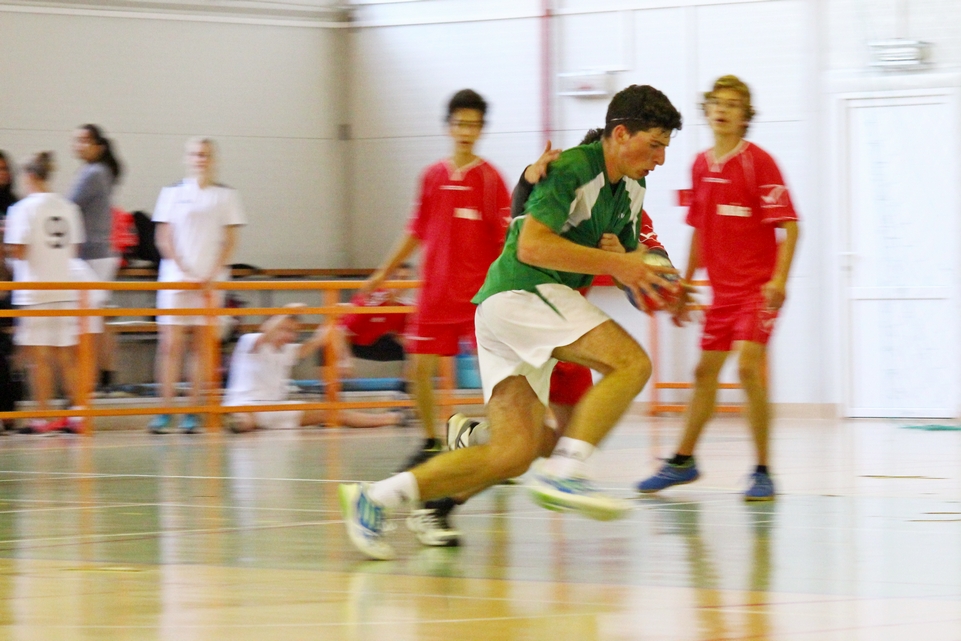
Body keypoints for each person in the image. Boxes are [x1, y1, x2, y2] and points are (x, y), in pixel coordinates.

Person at [339, 84, 684, 560]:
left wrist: (663, 287)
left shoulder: (631, 189)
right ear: (621, 134)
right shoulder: (572, 168)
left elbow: (631, 258)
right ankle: (565, 471)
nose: (661, 159)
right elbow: (531, 245)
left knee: (513, 453)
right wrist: (619, 262)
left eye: (666, 147)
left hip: (513, 312)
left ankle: (376, 498)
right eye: (655, 145)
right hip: (523, 293)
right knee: (631, 364)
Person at [413, 129, 681, 548]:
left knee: (558, 443)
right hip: (531, 317)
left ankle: (476, 441)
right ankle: (438, 501)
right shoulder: (558, 184)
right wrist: (527, 177)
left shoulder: (629, 205)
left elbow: (653, 269)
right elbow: (525, 225)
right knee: (525, 449)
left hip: (573, 331)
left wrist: (654, 279)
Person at [635, 75, 800, 501]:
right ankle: (682, 461)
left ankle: (763, 471)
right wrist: (685, 283)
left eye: (733, 104)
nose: (723, 109)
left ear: (746, 116)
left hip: (758, 292)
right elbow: (699, 230)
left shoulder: (759, 163)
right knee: (703, 373)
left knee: (746, 368)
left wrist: (780, 280)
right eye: (716, 102)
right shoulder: (700, 165)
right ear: (706, 110)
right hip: (723, 296)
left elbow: (790, 226)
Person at [360, 89, 511, 470]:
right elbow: (415, 230)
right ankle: (429, 443)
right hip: (436, 294)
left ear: (482, 130)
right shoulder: (431, 176)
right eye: (460, 123)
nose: (466, 131)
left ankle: (503, 449)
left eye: (474, 125)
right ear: (448, 126)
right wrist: (382, 273)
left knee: (495, 375)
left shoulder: (491, 180)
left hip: (478, 297)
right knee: (418, 370)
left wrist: (506, 291)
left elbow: (505, 241)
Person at [149, 138, 245, 434]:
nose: (200, 159)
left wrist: (211, 275)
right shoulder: (172, 193)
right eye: (195, 154)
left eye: (205, 155)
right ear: (186, 158)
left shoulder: (226, 195)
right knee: (170, 345)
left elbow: (230, 241)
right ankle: (165, 411)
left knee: (202, 348)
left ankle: (193, 411)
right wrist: (183, 270)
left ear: (213, 159)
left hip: (209, 282)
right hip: (176, 279)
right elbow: (163, 237)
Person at [3, 152, 85, 434]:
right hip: (64, 287)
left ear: (29, 176)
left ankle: (41, 417)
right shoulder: (68, 207)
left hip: (34, 291)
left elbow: (18, 251)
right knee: (66, 356)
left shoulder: (22, 209)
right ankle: (78, 415)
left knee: (39, 358)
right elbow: (74, 249)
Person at [224, 306, 404, 432]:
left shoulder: (288, 351)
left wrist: (334, 316)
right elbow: (268, 331)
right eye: (284, 329)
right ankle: (392, 418)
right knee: (333, 414)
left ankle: (393, 418)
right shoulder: (250, 341)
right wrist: (288, 311)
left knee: (331, 413)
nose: (288, 335)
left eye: (293, 332)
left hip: (272, 409)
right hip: (245, 404)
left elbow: (318, 340)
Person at [69, 124, 124, 393]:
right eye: (76, 140)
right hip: (98, 254)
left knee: (91, 321)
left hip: (94, 255)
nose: (78, 145)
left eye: (84, 141)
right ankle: (103, 376)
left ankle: (92, 380)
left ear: (98, 146)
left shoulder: (93, 173)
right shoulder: (97, 172)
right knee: (98, 318)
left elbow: (68, 205)